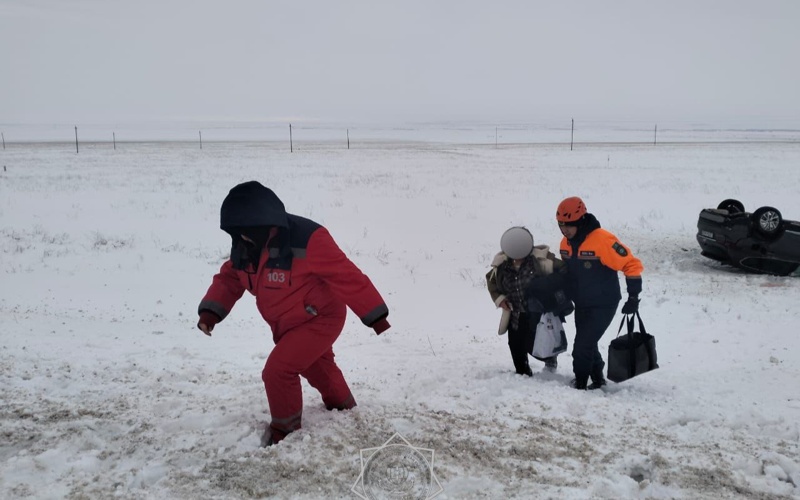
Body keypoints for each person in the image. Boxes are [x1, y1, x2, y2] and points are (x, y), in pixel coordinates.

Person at [197, 181, 390, 446]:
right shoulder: (246, 247)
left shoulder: (307, 239)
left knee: (278, 371)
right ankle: (345, 409)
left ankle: (285, 433)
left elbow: (346, 275)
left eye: (246, 230)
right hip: (289, 323)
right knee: (318, 368)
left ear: (261, 223)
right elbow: (230, 279)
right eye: (236, 231)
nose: (241, 237)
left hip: (321, 317)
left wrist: (375, 315)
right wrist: (211, 312)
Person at [556, 196, 643, 390]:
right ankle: (597, 379)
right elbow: (568, 274)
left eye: (569, 225)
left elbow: (631, 264)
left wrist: (634, 297)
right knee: (589, 342)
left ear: (580, 220)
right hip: (582, 303)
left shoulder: (603, 240)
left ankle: (579, 384)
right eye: (561, 225)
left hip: (604, 303)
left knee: (582, 345)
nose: (564, 230)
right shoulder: (565, 243)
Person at [486, 226, 567, 376]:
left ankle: (550, 359)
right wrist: (500, 299)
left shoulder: (542, 260)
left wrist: (548, 286)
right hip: (514, 313)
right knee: (516, 346)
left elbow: (563, 271)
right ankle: (523, 374)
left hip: (536, 313)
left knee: (534, 345)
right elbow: (491, 281)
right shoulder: (502, 264)